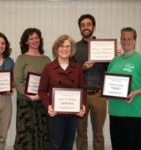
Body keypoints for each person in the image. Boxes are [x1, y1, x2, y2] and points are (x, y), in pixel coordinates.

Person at [38, 34, 86, 150]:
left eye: (67, 46)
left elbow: (83, 89)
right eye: (61, 46)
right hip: (56, 115)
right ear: (56, 48)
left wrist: (82, 105)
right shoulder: (48, 68)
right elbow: (42, 91)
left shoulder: (77, 68)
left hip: (72, 115)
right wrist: (48, 106)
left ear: (72, 49)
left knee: (68, 146)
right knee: (55, 145)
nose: (64, 49)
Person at [73, 14, 108, 150]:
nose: (86, 27)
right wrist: (83, 66)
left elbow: (109, 69)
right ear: (80, 28)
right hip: (80, 96)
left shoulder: (104, 46)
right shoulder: (74, 48)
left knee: (98, 134)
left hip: (99, 95)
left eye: (89, 24)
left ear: (94, 27)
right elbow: (70, 70)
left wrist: (114, 56)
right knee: (81, 133)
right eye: (83, 25)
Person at [14, 28, 51, 150]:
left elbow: (51, 80)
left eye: (37, 37)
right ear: (26, 41)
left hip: (42, 102)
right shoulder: (22, 58)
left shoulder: (46, 59)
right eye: (31, 38)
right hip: (26, 102)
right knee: (26, 134)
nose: (35, 40)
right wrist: (28, 95)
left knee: (42, 132)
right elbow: (17, 80)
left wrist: (44, 95)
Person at [107, 27, 141, 150]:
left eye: (129, 38)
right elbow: (109, 82)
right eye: (123, 38)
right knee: (117, 146)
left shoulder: (140, 59)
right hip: (115, 112)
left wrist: (135, 92)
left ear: (135, 40)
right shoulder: (114, 60)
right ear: (120, 40)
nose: (126, 41)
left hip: (134, 113)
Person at [0, 32, 14, 150]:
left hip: (6, 101)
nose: (0, 46)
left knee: (2, 135)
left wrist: (11, 86)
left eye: (3, 43)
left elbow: (13, 81)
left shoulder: (10, 61)